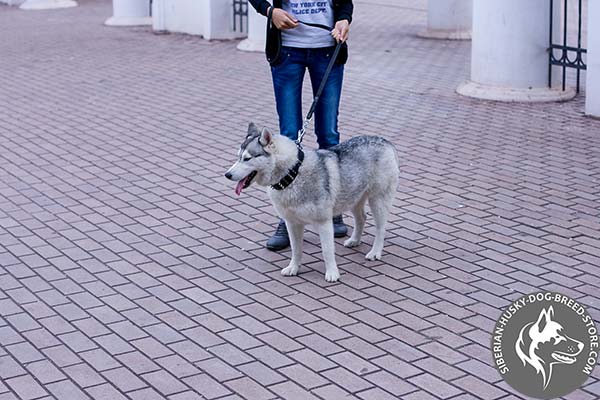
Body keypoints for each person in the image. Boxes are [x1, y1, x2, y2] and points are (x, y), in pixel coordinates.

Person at [248, 0, 354, 251]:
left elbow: (345, 2)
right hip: (287, 51)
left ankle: (332, 208)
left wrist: (344, 19)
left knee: (329, 134)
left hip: (328, 49)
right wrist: (269, 11)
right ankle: (286, 217)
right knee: (287, 137)